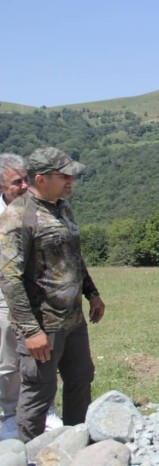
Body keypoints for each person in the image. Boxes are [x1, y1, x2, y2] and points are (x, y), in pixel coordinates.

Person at [0, 147, 105, 442]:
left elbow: (73, 257)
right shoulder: (17, 215)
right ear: (42, 179)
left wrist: (92, 293)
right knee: (38, 393)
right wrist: (31, 330)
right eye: (64, 175)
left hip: (73, 321)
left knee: (80, 380)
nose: (71, 179)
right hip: (43, 325)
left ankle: (75, 444)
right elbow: (9, 278)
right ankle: (28, 454)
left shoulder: (63, 208)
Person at [0, 153, 63, 441]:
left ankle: (45, 409)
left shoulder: (37, 209)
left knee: (43, 354)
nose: (24, 186)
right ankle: (9, 414)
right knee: (8, 356)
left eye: (26, 179)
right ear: (2, 185)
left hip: (38, 294)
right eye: (16, 182)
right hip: (4, 294)